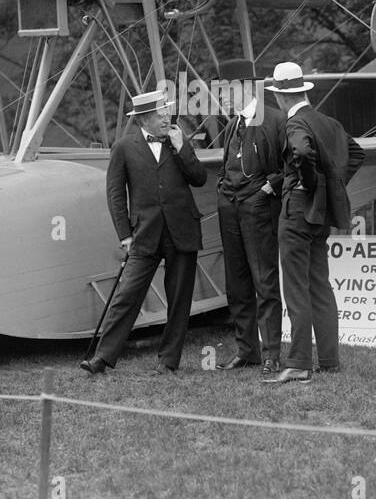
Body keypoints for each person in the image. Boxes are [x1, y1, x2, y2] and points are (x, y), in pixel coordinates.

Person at [81, 89, 208, 375]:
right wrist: (125, 234)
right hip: (143, 234)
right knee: (127, 296)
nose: (167, 118)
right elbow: (115, 195)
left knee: (179, 300)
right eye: (160, 114)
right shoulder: (124, 147)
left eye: (167, 112)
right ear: (144, 119)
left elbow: (199, 179)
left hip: (182, 230)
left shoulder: (177, 141)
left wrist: (182, 147)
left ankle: (168, 361)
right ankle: (102, 358)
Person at [264, 62, 365, 385]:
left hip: (296, 212)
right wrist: (329, 186)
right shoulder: (329, 123)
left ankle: (298, 363)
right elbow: (357, 153)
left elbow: (302, 152)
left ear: (281, 98)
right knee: (320, 286)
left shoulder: (295, 123)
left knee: (296, 289)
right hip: (320, 216)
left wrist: (307, 183)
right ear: (303, 91)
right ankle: (329, 360)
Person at [213, 60, 287, 375]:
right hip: (230, 209)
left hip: (257, 210)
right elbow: (225, 167)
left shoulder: (274, 120)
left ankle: (271, 353)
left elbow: (290, 163)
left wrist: (269, 188)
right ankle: (247, 351)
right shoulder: (233, 125)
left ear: (245, 87)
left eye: (226, 90)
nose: (223, 97)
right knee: (237, 284)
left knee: (265, 282)